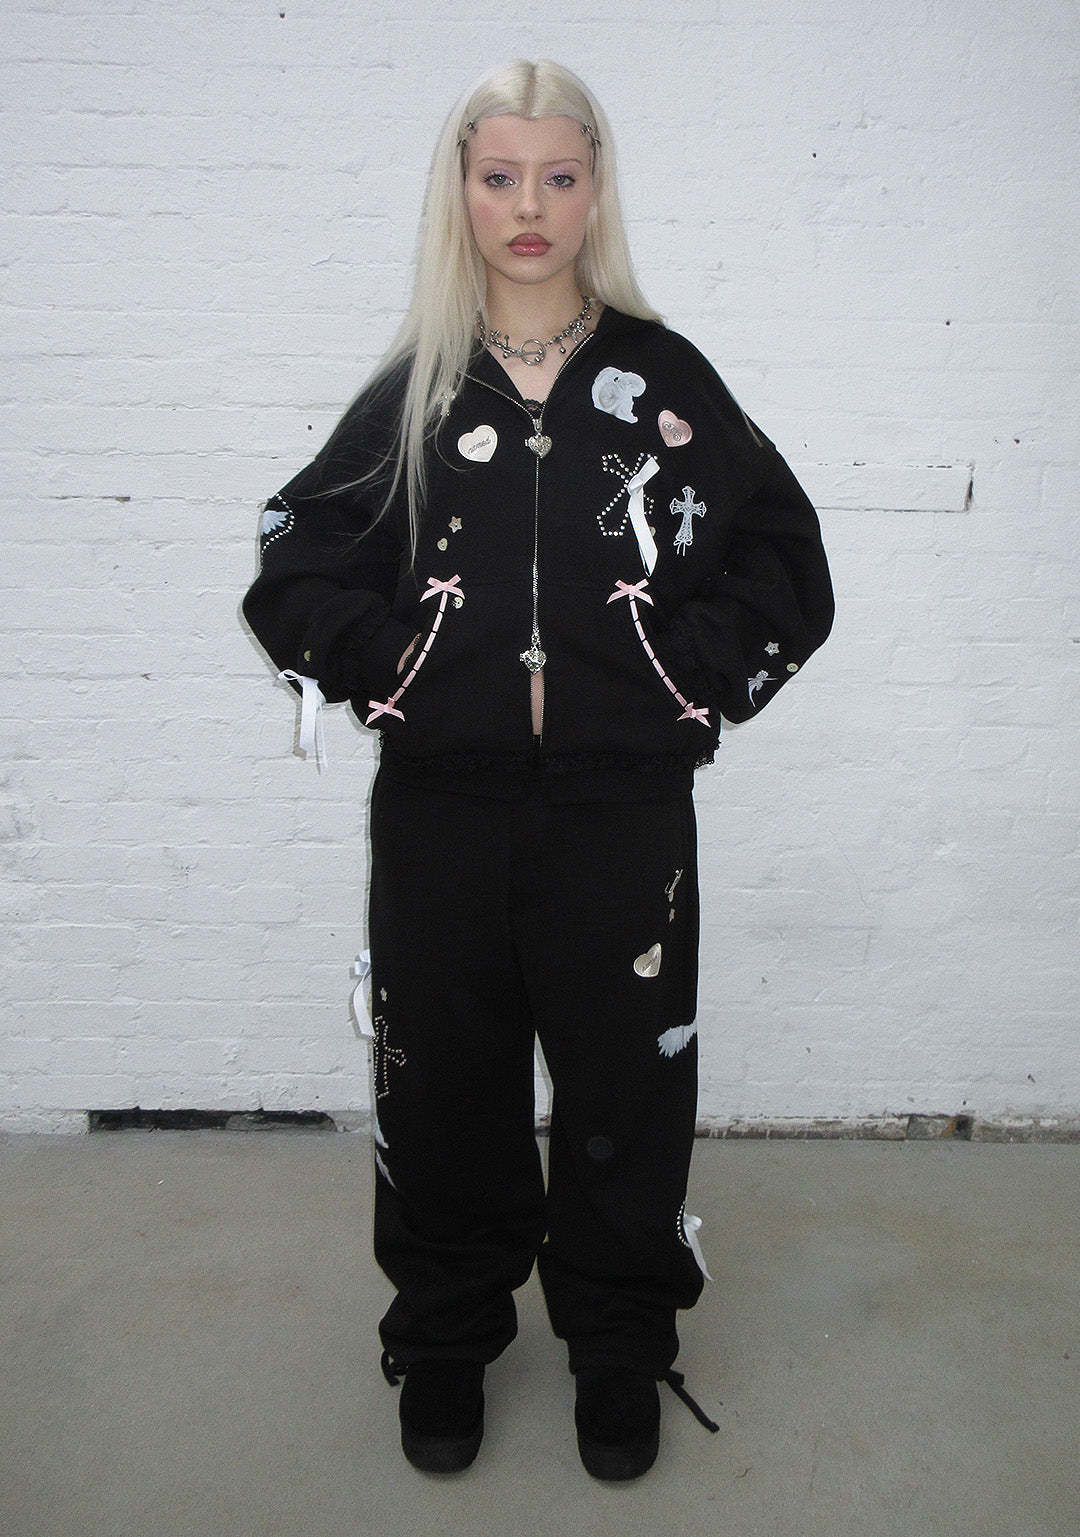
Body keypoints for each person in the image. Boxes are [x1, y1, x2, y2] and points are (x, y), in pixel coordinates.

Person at [242, 58, 833, 1481]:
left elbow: (787, 559)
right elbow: (292, 564)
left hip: (623, 813)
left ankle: (620, 1340)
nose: (529, 206)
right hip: (443, 810)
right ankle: (447, 1332)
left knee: (629, 1085)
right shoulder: (419, 394)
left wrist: (682, 675)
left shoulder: (662, 385)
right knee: (441, 1081)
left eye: (558, 177)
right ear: (460, 192)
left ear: (594, 190)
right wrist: (400, 668)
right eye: (500, 176)